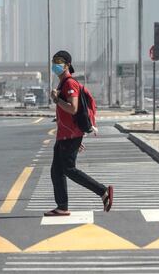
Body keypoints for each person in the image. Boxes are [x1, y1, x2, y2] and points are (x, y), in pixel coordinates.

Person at [44, 50, 113, 216]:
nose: (55, 64)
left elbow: (73, 108)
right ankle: (62, 206)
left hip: (69, 136)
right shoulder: (63, 84)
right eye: (54, 61)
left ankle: (103, 191)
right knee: (57, 171)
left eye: (59, 61)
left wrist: (57, 99)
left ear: (68, 65)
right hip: (65, 136)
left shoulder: (69, 84)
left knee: (68, 169)